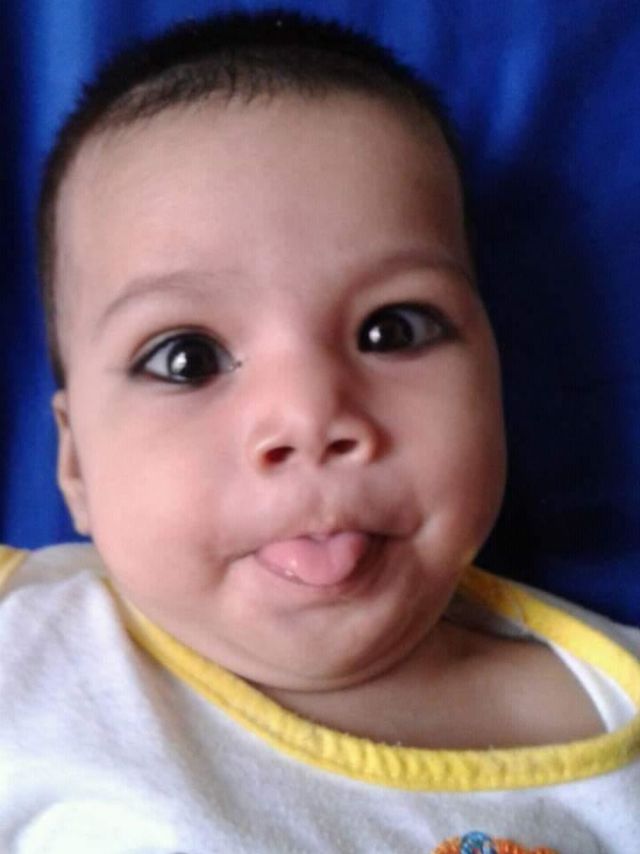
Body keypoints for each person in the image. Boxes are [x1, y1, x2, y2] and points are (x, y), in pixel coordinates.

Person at [1, 10, 638, 853]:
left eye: (392, 330)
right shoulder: (26, 645)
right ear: (76, 461)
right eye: (187, 358)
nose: (309, 420)